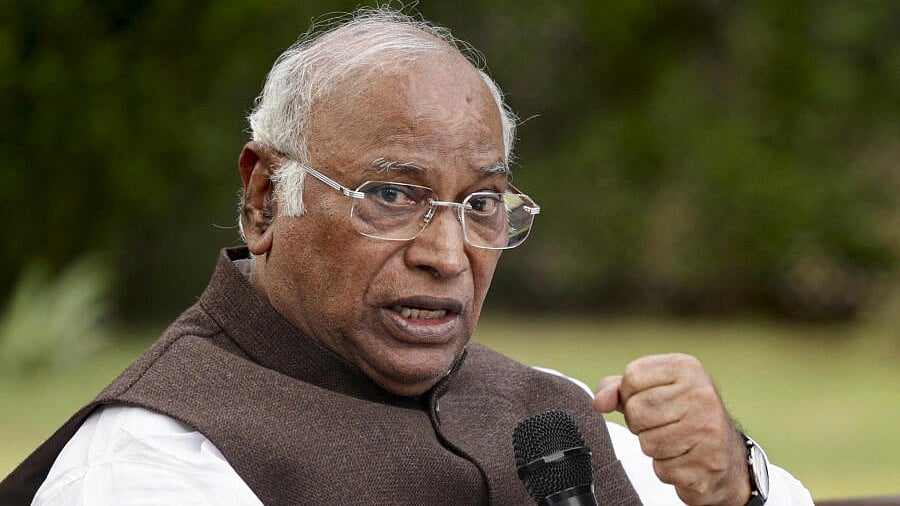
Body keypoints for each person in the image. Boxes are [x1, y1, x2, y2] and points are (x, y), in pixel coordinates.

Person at [1, 7, 813, 505]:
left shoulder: (557, 413)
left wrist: (729, 487)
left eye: (482, 204)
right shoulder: (156, 460)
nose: (448, 255)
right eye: (392, 195)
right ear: (264, 199)